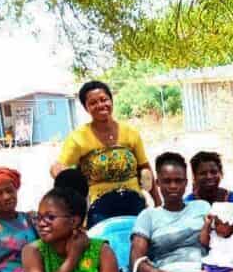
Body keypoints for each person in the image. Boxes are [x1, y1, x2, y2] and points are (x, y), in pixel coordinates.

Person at [50, 80, 160, 228]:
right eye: (93, 103)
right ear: (86, 107)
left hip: (134, 202)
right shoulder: (78, 138)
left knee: (139, 244)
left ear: (111, 100)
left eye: (104, 99)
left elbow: (145, 168)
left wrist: (158, 203)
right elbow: (59, 165)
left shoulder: (130, 133)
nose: (101, 105)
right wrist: (61, 175)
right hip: (99, 208)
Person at [186, 150, 233, 235]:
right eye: (203, 173)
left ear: (221, 173)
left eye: (213, 172)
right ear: (194, 177)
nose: (209, 176)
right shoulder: (189, 203)